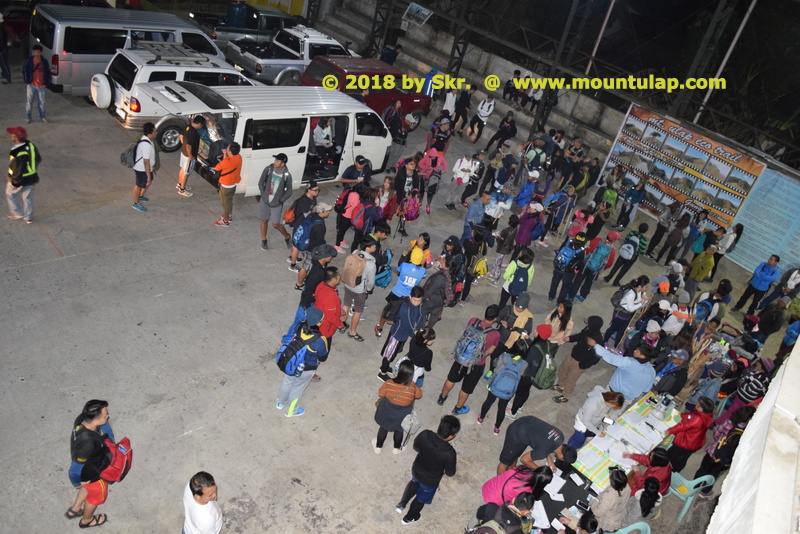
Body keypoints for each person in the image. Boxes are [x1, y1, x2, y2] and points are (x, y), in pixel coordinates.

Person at [395, 415, 460, 525]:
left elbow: (416, 447)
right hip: (430, 481)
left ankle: (402, 503)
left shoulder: (425, 434)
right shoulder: (449, 453)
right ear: (450, 436)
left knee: (414, 482)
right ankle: (409, 517)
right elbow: (450, 473)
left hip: (416, 469)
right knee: (421, 498)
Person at [438, 305, 501, 414]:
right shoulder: (495, 334)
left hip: (461, 358)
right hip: (477, 364)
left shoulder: (473, 320)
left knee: (451, 379)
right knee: (466, 389)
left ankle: (442, 397)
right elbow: (491, 351)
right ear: (495, 318)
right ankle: (458, 408)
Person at [68, 400, 114, 528]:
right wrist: (76, 483)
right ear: (96, 420)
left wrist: (110, 440)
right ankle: (86, 520)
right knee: (95, 498)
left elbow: (105, 427)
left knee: (87, 486)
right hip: (95, 475)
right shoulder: (87, 445)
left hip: (87, 474)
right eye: (105, 415)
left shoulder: (83, 419)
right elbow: (74, 470)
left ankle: (76, 508)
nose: (108, 416)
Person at [694, 405, 756, 497]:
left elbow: (716, 434)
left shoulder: (728, 422)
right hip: (725, 459)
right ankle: (704, 491)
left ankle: (694, 486)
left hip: (713, 451)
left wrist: (719, 442)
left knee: (703, 469)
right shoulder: (746, 431)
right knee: (714, 474)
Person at [282, 244, 337, 344]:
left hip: (308, 298)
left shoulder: (317, 264)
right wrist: (306, 306)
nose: (331, 257)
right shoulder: (318, 273)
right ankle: (287, 340)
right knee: (299, 320)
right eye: (330, 255)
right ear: (324, 258)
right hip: (308, 301)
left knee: (302, 321)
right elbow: (310, 290)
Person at [496, 416, 576, 475]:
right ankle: (500, 483)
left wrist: (549, 460)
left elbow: (547, 442)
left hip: (528, 424)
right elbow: (524, 459)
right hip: (516, 431)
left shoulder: (560, 436)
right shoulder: (542, 451)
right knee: (505, 462)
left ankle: (509, 475)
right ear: (562, 457)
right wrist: (541, 470)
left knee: (514, 455)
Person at [374, 360, 423, 454]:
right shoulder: (412, 387)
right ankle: (396, 448)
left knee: (383, 428)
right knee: (399, 430)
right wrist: (412, 384)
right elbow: (419, 395)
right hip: (402, 414)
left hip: (387, 411)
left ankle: (378, 447)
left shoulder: (389, 383)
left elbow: (380, 393)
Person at [552, 315, 604, 403]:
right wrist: (570, 338)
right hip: (573, 355)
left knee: (571, 380)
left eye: (589, 323)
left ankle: (566, 395)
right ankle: (560, 385)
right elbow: (580, 336)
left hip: (580, 363)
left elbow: (595, 359)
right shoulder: (587, 331)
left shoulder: (598, 341)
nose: (587, 324)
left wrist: (582, 365)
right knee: (562, 370)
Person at [375, 248, 426, 336]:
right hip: (408, 297)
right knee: (401, 312)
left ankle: (380, 328)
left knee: (386, 310)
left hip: (396, 292)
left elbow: (398, 271)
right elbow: (423, 277)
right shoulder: (422, 271)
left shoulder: (404, 265)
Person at [378, 286, 424, 381]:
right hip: (397, 334)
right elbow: (408, 324)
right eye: (415, 300)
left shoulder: (417, 305)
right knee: (389, 354)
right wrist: (416, 335)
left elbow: (420, 316)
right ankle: (382, 372)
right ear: (410, 296)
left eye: (419, 301)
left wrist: (419, 329)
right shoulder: (404, 308)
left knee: (393, 353)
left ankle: (385, 367)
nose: (416, 303)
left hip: (404, 334)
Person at [506, 325, 552, 418]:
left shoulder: (534, 350)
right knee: (526, 391)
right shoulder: (544, 344)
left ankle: (512, 413)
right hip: (533, 375)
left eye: (536, 330)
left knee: (519, 393)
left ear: (539, 334)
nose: (534, 331)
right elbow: (535, 347)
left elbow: (527, 362)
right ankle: (520, 407)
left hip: (527, 375)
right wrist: (527, 339)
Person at [479, 466, 552, 524]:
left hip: (489, 486)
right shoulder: (527, 490)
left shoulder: (523, 469)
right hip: (491, 499)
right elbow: (515, 504)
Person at [590, 338, 656, 402]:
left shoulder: (629, 362)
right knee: (613, 413)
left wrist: (596, 346)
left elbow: (611, 358)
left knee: (602, 408)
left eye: (637, 351)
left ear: (643, 355)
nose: (634, 351)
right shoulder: (652, 371)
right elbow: (646, 389)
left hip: (613, 393)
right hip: (627, 399)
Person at [339, 237, 377, 341]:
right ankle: (352, 332)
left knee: (346, 304)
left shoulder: (355, 252)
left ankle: (342, 325)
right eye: (374, 246)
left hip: (348, 284)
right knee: (358, 311)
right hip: (359, 290)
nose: (375, 247)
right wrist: (368, 290)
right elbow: (371, 281)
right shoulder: (371, 263)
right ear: (368, 248)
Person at [665, 396, 714, 472]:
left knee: (672, 455)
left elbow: (683, 426)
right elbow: (689, 416)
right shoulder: (705, 415)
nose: (696, 403)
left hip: (687, 443)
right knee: (682, 457)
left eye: (698, 404)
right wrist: (680, 415)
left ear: (701, 408)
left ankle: (671, 471)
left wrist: (669, 431)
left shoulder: (698, 419)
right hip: (696, 441)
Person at [257, 153, 294, 250]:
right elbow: (261, 182)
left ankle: (287, 236)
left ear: (282, 164)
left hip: (276, 204)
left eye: (277, 161)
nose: (275, 162)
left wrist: (280, 200)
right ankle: (264, 240)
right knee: (264, 221)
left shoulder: (286, 175)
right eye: (275, 160)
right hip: (265, 201)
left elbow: (289, 190)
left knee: (275, 224)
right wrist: (263, 194)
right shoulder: (269, 169)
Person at [291, 203, 332, 288]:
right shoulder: (320, 226)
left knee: (306, 265)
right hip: (311, 249)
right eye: (327, 211)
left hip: (305, 244)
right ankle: (299, 284)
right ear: (321, 212)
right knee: (305, 267)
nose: (329, 212)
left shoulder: (312, 215)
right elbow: (319, 241)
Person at [6, 126, 42, 223]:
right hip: (32, 177)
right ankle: (28, 217)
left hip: (20, 178)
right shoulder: (31, 145)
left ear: (16, 137)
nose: (11, 136)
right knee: (27, 197)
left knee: (10, 194)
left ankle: (17, 213)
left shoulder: (16, 152)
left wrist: (14, 182)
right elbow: (38, 159)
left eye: (12, 135)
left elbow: (17, 169)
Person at [572, 231, 619, 302]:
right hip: (595, 269)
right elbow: (609, 263)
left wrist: (585, 258)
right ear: (614, 240)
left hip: (586, 264)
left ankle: (571, 294)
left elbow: (587, 248)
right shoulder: (612, 250)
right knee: (588, 282)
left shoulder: (598, 240)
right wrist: (602, 268)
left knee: (578, 279)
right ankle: (582, 296)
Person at [604, 275, 650, 345]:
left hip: (628, 316)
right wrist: (641, 303)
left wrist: (645, 301)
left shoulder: (642, 293)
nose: (647, 288)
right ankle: (604, 341)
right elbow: (630, 308)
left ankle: (616, 346)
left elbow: (641, 306)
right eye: (646, 287)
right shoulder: (630, 294)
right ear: (640, 286)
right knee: (612, 329)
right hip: (620, 314)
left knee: (622, 331)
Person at [287, 181, 321, 270]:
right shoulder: (304, 201)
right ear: (309, 190)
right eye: (315, 190)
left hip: (303, 224)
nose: (317, 192)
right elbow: (307, 214)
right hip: (299, 225)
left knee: (295, 244)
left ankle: (291, 257)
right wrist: (314, 211)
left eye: (318, 190)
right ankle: (292, 265)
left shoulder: (312, 198)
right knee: (296, 245)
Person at [549, 233, 587, 302]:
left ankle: (551, 296)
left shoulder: (568, 242)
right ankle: (559, 301)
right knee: (565, 287)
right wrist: (577, 269)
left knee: (555, 281)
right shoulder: (581, 251)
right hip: (569, 271)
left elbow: (560, 250)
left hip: (559, 265)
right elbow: (579, 264)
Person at [591, 466, 630, 532]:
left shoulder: (609, 497)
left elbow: (597, 512)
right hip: (618, 516)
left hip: (608, 523)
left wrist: (592, 502)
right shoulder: (627, 487)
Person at [313, 266, 343, 351]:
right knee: (324, 350)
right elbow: (331, 317)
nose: (340, 277)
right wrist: (340, 325)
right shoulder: (331, 295)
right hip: (325, 329)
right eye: (338, 275)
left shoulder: (321, 285)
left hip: (317, 320)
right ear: (333, 279)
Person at [212, 141, 242, 225]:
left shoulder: (228, 161)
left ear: (230, 151)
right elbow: (227, 162)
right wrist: (225, 154)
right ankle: (229, 215)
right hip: (233, 183)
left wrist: (224, 155)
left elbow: (217, 167)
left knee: (225, 201)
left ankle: (225, 221)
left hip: (226, 184)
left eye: (228, 148)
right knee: (229, 200)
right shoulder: (238, 157)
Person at [176, 115, 205, 196]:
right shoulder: (193, 133)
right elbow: (189, 145)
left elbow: (181, 136)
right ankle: (182, 189)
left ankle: (180, 184)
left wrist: (183, 144)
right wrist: (191, 156)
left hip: (183, 152)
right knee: (186, 172)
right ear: (199, 124)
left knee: (182, 168)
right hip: (188, 155)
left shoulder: (187, 127)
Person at [489, 214, 520, 286]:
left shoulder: (506, 231)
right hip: (507, 250)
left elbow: (501, 241)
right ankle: (492, 273)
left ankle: (496, 279)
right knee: (497, 262)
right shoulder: (515, 230)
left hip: (501, 249)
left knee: (498, 265)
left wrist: (497, 237)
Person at [23, 44, 51, 123]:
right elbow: (25, 71)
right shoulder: (29, 61)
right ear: (33, 52)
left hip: (41, 85)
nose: (37, 54)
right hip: (31, 85)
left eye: (38, 52)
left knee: (41, 103)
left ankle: (42, 117)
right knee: (29, 102)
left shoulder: (44, 62)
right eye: (35, 52)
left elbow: (48, 73)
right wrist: (27, 81)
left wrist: (46, 83)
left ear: (41, 53)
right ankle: (28, 117)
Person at [461, 225, 487, 304]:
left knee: (460, 279)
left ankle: (456, 294)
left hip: (466, 265)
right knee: (468, 284)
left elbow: (464, 244)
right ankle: (463, 300)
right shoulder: (482, 245)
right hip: (475, 268)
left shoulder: (468, 243)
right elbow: (484, 252)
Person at [418, 148, 448, 212]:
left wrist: (444, 170)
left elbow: (445, 164)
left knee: (430, 192)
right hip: (425, 175)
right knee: (422, 190)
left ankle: (428, 205)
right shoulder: (426, 157)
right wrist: (427, 168)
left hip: (433, 178)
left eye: (434, 156)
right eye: (431, 156)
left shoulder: (440, 158)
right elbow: (420, 164)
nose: (433, 157)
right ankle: (420, 202)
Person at [0, 14, 11, 84]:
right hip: (3, 49)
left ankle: (7, 77)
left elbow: (1, 41)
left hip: (2, 50)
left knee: (4, 63)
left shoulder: (0, 29)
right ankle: (5, 75)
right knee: (2, 63)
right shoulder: (2, 28)